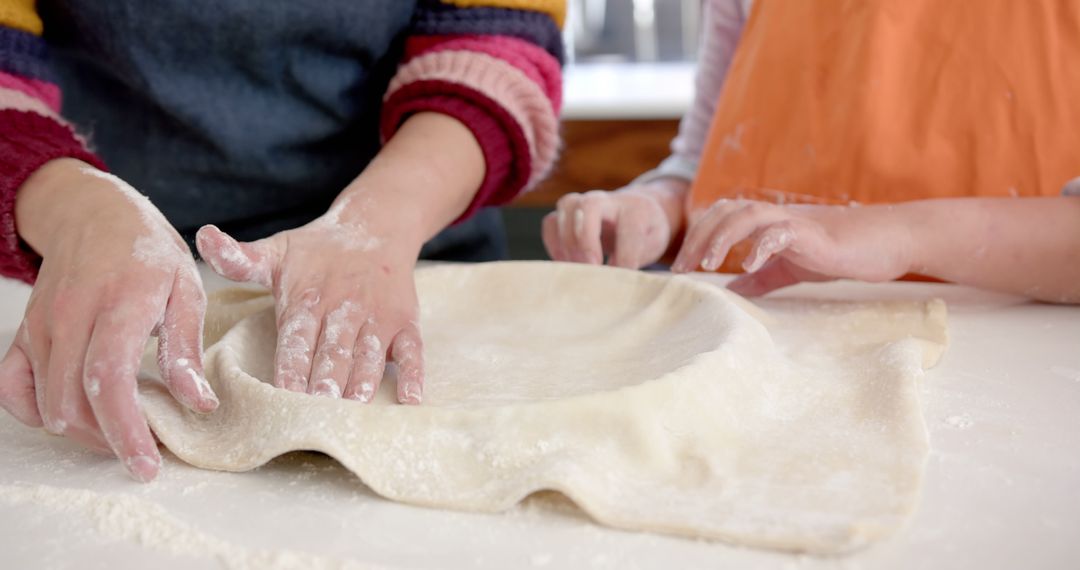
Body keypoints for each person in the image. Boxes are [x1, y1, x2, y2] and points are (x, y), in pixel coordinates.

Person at [0, 0, 564, 481]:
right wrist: (74, 211)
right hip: (99, 269)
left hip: (406, 244)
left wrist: (377, 227)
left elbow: (498, 48)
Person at [544, 0, 1080, 304]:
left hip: (1004, 350)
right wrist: (656, 207)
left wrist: (899, 233)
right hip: (763, 339)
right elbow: (701, 159)